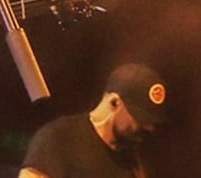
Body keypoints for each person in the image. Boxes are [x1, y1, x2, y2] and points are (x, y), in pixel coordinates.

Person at [19, 63, 169, 178]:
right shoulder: (59, 137)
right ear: (114, 102)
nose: (149, 128)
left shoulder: (135, 162)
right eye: (141, 118)